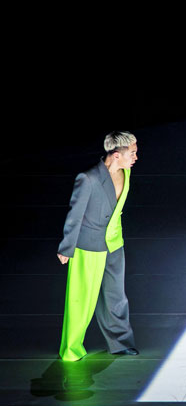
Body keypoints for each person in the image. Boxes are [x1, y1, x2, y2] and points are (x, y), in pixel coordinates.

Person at [57, 131, 139, 361]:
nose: (135, 157)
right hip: (88, 246)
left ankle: (120, 343)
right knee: (81, 299)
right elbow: (75, 215)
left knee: (116, 296)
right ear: (115, 155)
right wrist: (66, 247)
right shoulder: (88, 178)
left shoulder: (127, 172)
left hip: (114, 243)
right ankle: (71, 349)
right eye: (132, 153)